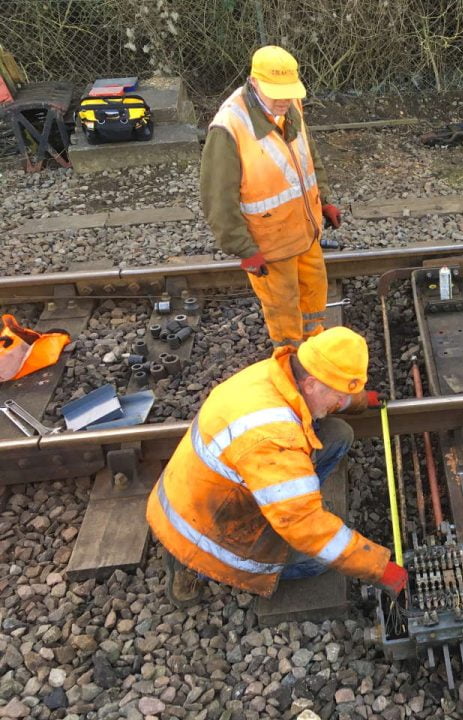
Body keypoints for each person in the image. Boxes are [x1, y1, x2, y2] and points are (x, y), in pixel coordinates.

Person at [146, 327, 406, 607]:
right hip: (204, 527)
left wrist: (359, 401)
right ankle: (191, 566)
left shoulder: (277, 373)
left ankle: (287, 501)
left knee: (338, 434)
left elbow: (330, 394)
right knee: (316, 561)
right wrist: (382, 569)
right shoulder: (274, 437)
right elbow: (307, 529)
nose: (340, 403)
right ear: (311, 384)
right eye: (339, 396)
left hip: (208, 489)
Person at [200, 45, 342, 349]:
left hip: (306, 229)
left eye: (288, 92)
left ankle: (313, 349)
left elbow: (308, 155)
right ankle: (290, 360)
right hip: (271, 244)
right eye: (275, 92)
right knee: (283, 308)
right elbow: (217, 199)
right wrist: (243, 249)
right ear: (254, 83)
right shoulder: (229, 127)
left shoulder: (291, 106)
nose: (283, 100)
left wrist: (325, 200)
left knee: (314, 294)